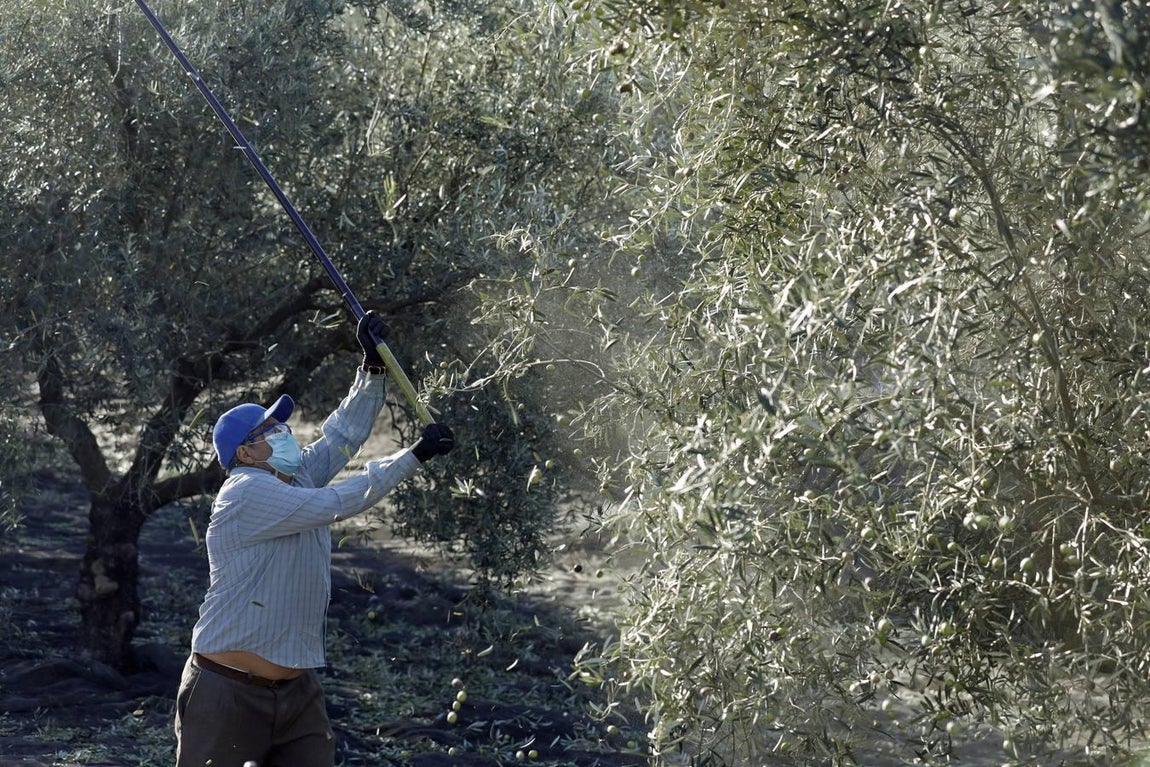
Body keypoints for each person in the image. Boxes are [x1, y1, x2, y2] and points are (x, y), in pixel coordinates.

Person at [174, 312, 454, 767]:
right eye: (270, 431)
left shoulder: (294, 473)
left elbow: (342, 437)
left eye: (282, 426)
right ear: (246, 452)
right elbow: (336, 502)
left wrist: (372, 367)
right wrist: (414, 456)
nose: (285, 433)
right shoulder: (246, 492)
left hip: (296, 692)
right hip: (227, 689)